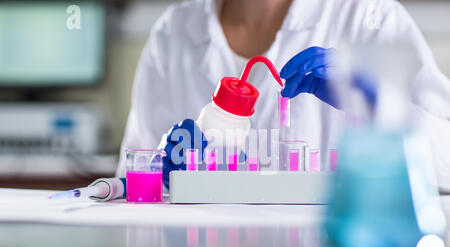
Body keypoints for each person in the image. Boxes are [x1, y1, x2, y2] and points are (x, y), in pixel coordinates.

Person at [117, 0, 450, 189]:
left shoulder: (368, 15)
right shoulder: (173, 31)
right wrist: (156, 172)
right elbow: (127, 182)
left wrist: (381, 107)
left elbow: (446, 164)